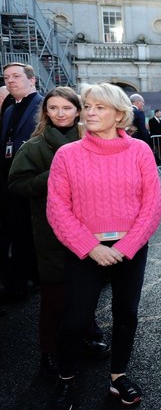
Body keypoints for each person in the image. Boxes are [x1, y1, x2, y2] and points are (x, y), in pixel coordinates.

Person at [46, 82, 161, 410]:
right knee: (75, 320)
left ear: (119, 114)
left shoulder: (140, 151)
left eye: (100, 107)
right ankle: (65, 379)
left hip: (130, 248)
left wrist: (126, 246)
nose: (91, 112)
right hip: (84, 249)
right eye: (88, 106)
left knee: (126, 314)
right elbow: (57, 209)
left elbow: (152, 205)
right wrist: (91, 247)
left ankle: (117, 376)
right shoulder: (67, 154)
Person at [8, 87, 110, 377]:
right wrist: (54, 173)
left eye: (67, 107)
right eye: (53, 108)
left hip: (92, 229)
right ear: (46, 112)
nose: (60, 113)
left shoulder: (94, 140)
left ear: (78, 110)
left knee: (87, 290)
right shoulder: (34, 146)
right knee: (55, 295)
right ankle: (49, 350)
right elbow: (16, 185)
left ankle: (88, 334)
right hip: (51, 231)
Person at [0, 62, 43, 302]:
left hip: (32, 179)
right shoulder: (8, 110)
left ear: (32, 80)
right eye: (6, 77)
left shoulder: (43, 105)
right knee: (15, 230)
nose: (10, 81)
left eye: (16, 76)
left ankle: (31, 278)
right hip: (9, 180)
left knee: (30, 231)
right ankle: (22, 279)